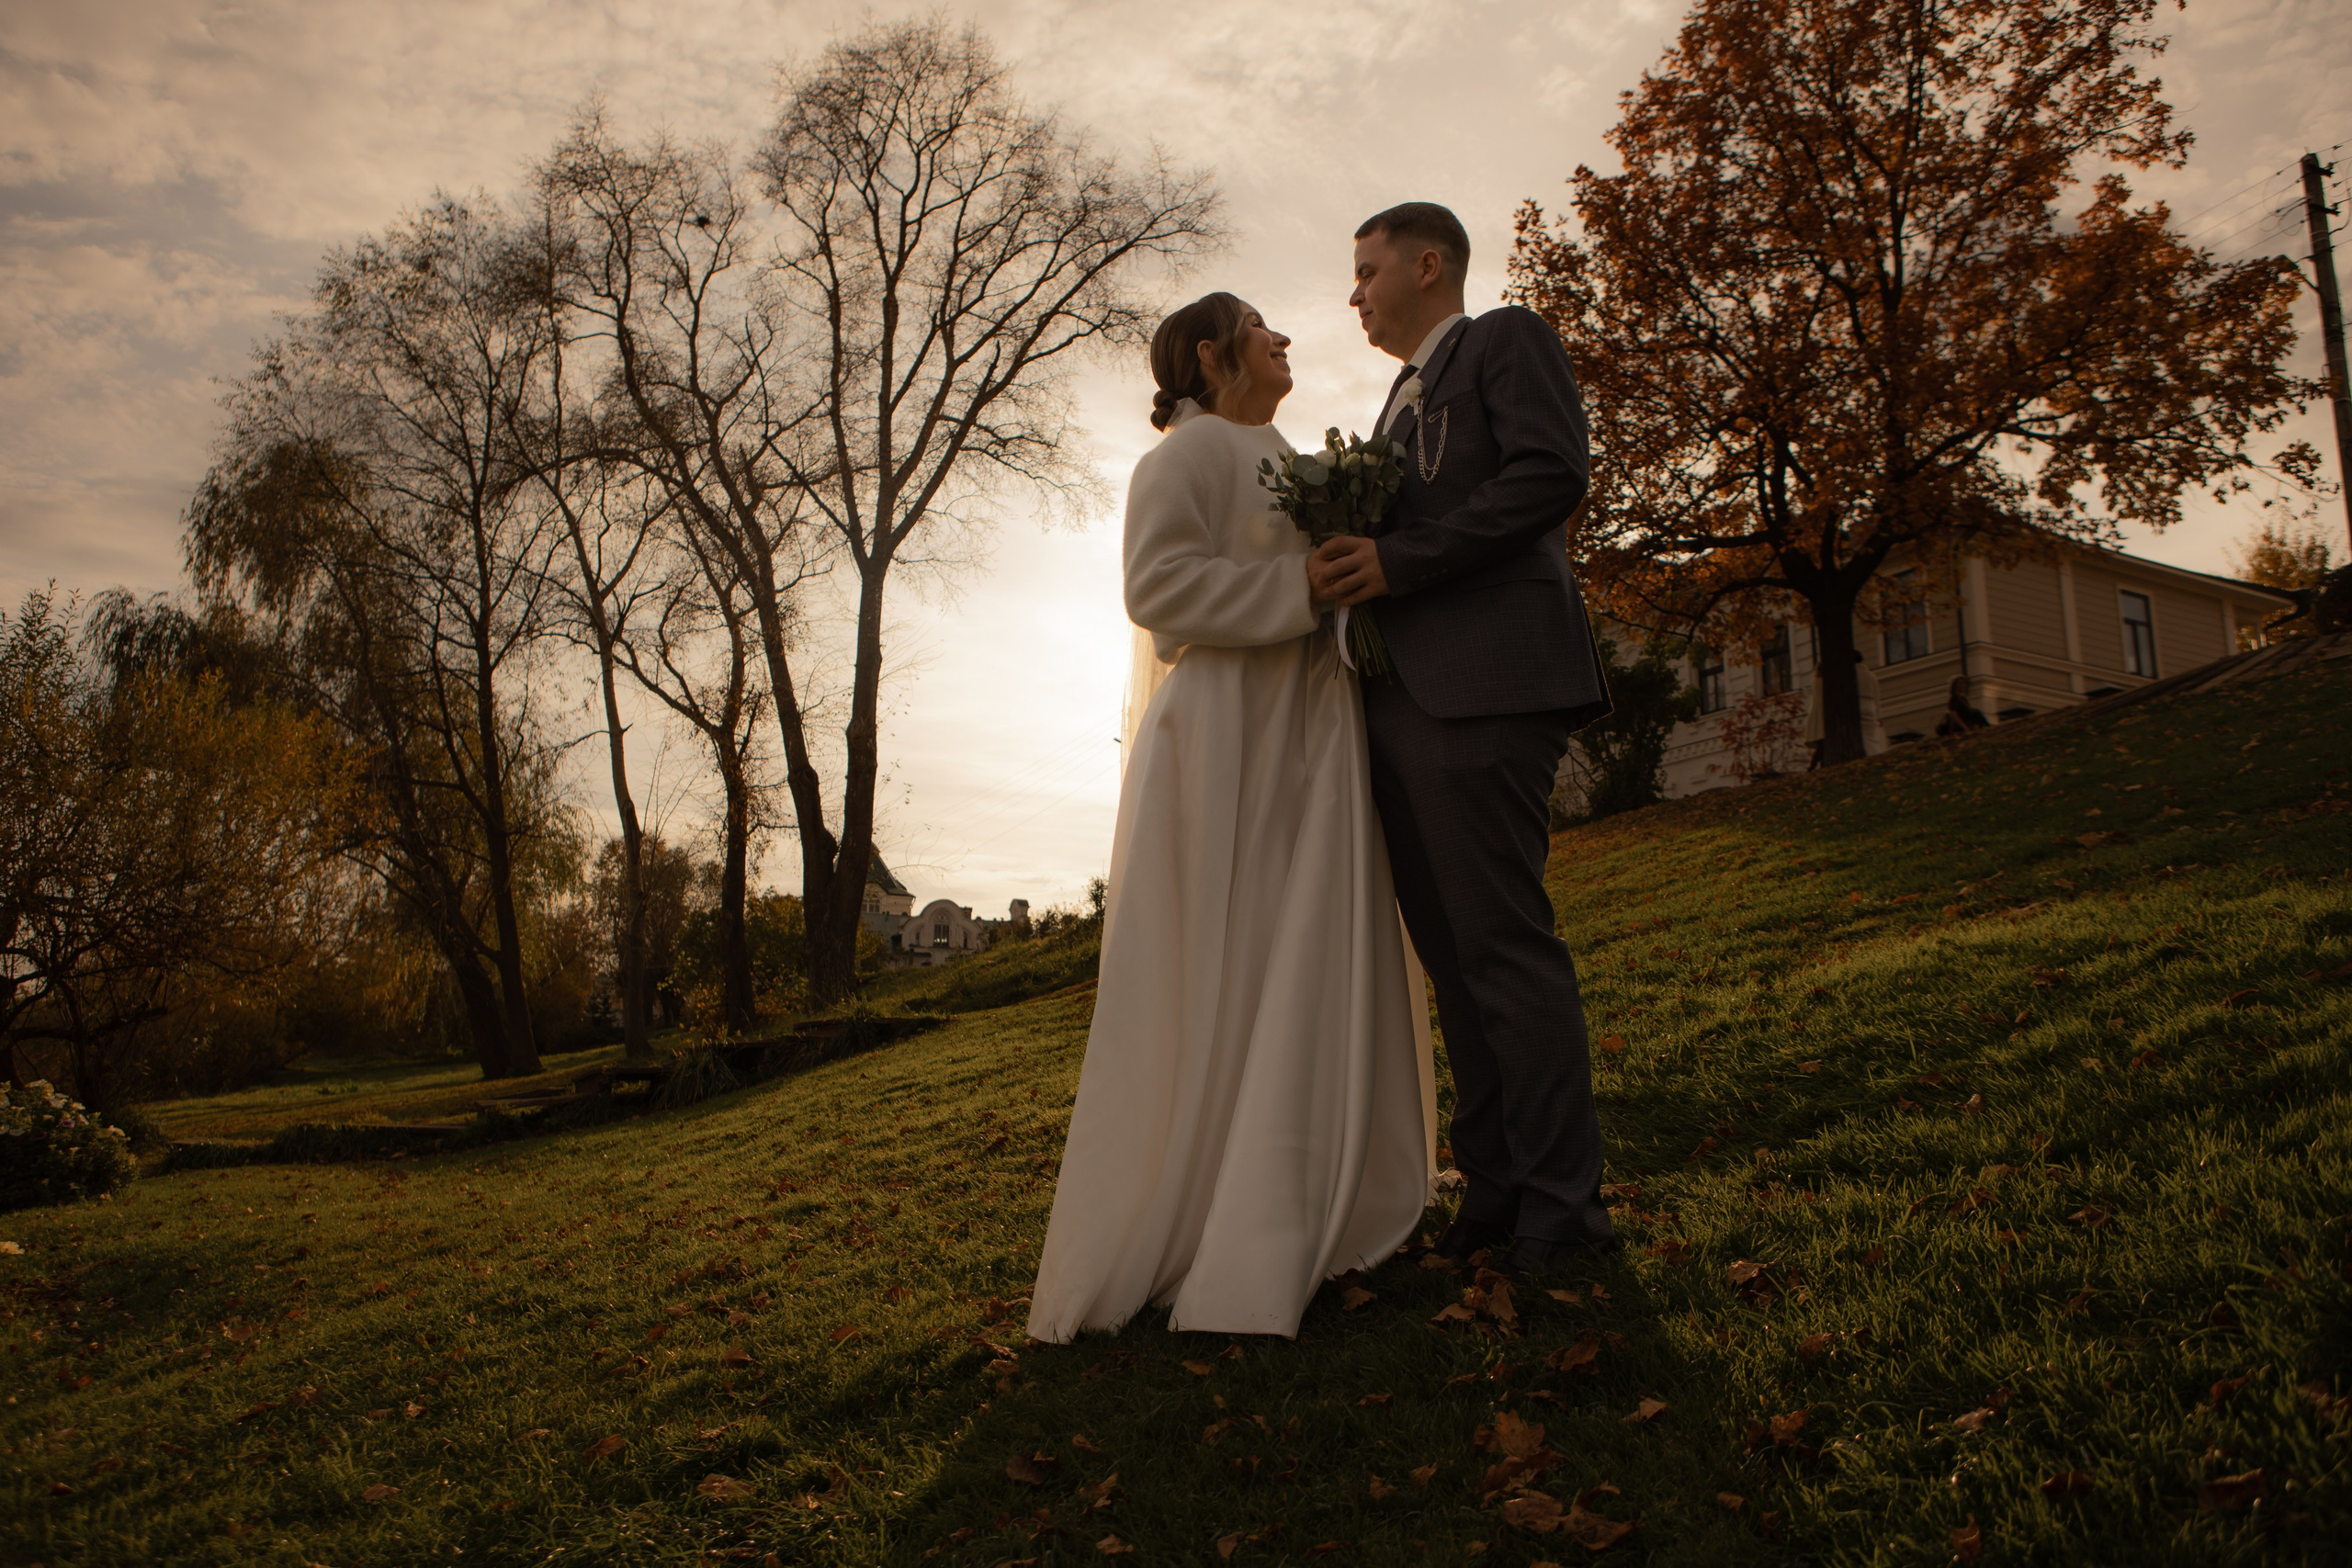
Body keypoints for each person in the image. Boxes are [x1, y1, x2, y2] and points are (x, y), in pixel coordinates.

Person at [1025, 294, 1434, 1344]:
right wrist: (1299, 583)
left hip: (1303, 730)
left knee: (1293, 946)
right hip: (1223, 739)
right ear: (1210, 356)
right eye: (1261, 326)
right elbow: (1156, 591)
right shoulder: (1182, 457)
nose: (1283, 338)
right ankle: (1205, 1211)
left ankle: (1304, 1191)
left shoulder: (1282, 453)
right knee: (1224, 957)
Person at [1307, 203, 1617, 1275]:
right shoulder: (1394, 400)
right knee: (1452, 961)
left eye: (1366, 270)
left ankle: (1564, 1215)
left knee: (1501, 950)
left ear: (1427, 263)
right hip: (1399, 706)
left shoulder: (1504, 340)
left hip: (1487, 689)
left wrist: (1400, 564)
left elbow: (1548, 476)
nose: (1353, 294)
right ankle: (1494, 1191)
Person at [1804, 649, 1886, 768]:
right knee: (1871, 735)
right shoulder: (1871, 676)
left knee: (1862, 736)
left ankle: (1869, 757)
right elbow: (1876, 697)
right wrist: (1879, 715)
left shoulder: (1850, 673)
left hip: (1857, 703)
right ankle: (1875, 754)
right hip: (1871, 706)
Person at [1936, 674, 1990, 738]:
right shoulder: (1954, 698)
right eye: (1959, 683)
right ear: (1954, 685)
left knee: (1976, 712)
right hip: (1959, 727)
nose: (1962, 685)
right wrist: (1965, 727)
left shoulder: (1963, 698)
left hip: (1968, 723)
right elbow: (1954, 714)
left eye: (1963, 683)